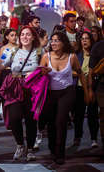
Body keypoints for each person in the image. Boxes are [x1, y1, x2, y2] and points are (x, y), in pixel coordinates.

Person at [0, 26, 44, 161]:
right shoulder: (11, 51)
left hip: (32, 89)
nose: (25, 37)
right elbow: (0, 64)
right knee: (14, 118)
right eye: (22, 34)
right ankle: (20, 144)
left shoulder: (40, 52)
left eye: (28, 34)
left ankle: (30, 149)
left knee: (31, 120)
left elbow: (45, 68)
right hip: (15, 88)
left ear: (33, 37)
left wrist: (35, 73)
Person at [39, 32, 84, 165]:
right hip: (50, 93)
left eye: (57, 40)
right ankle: (52, 149)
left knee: (61, 121)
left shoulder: (72, 57)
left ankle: (60, 153)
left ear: (63, 43)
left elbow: (80, 73)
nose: (53, 43)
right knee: (51, 123)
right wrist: (43, 73)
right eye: (52, 41)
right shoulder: (46, 57)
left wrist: (87, 91)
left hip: (67, 92)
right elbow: (39, 75)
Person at [73, 31, 99, 148]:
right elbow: (70, 71)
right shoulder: (76, 55)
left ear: (91, 40)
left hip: (92, 87)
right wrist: (80, 74)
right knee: (78, 115)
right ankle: (77, 137)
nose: (84, 40)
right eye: (82, 39)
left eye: (87, 38)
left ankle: (94, 138)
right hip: (79, 87)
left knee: (92, 114)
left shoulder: (95, 54)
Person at [0, 29, 18, 121]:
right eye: (12, 35)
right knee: (6, 98)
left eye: (15, 35)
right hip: (6, 74)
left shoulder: (20, 47)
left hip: (17, 74)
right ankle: (8, 118)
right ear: (7, 37)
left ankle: (15, 117)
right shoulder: (4, 49)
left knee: (16, 97)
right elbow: (1, 64)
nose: (14, 37)